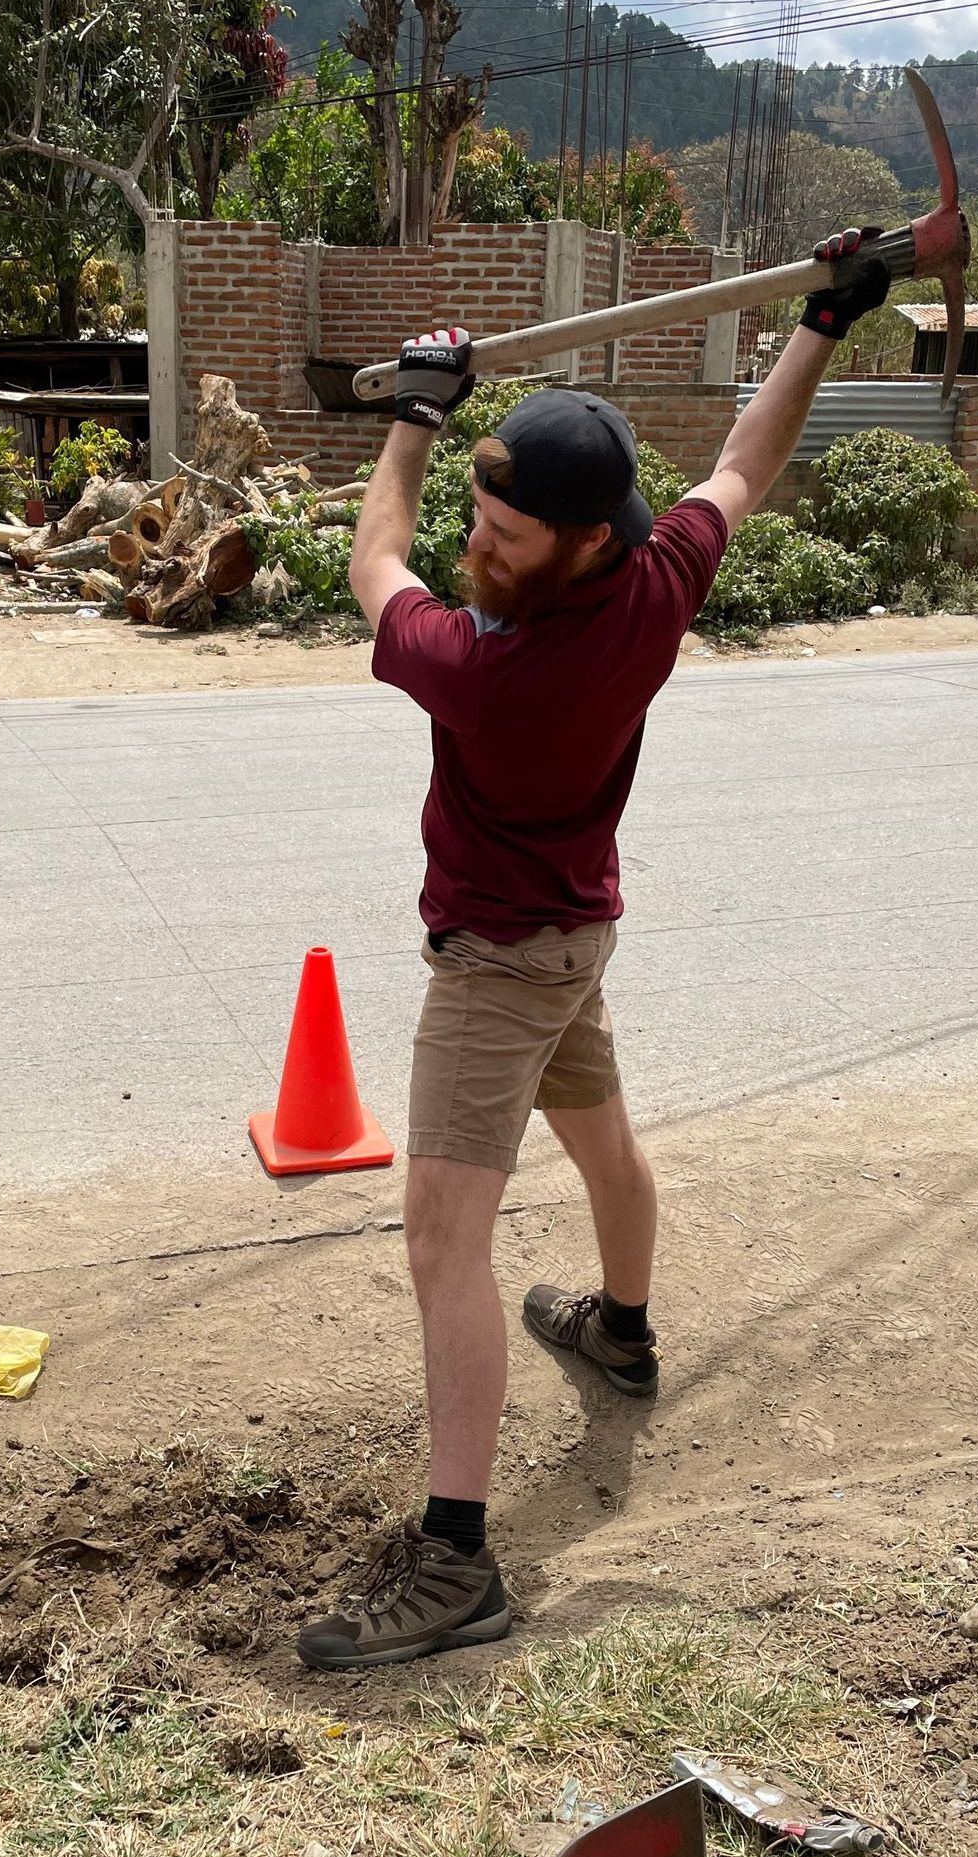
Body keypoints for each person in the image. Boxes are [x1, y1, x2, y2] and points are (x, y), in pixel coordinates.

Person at [297, 230, 889, 1670]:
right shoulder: (650, 588)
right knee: (604, 1138)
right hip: (579, 931)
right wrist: (822, 322)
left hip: (503, 960)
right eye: (475, 526)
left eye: (499, 538)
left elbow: (372, 552)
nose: (467, 551)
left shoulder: (480, 667)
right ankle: (621, 1328)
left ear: (578, 547)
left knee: (444, 1238)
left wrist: (415, 415)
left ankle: (457, 1562)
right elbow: (743, 464)